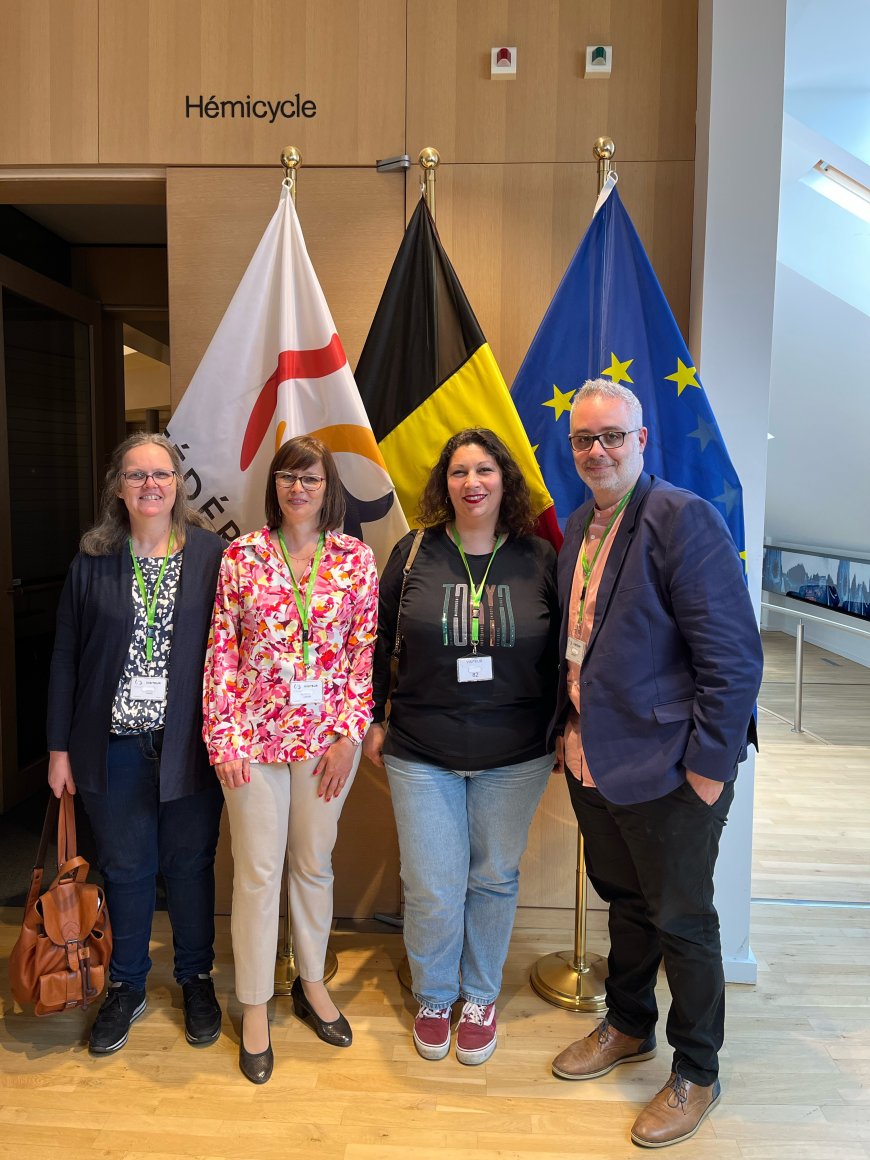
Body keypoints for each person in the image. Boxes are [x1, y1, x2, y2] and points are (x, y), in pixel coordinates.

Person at [548, 379, 764, 1148]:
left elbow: (733, 658)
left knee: (682, 919)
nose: (597, 450)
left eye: (612, 436)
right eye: (583, 439)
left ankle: (697, 1071)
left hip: (672, 770)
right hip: (595, 763)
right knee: (628, 906)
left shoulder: (682, 518)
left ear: (643, 440)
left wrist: (708, 770)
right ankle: (630, 1024)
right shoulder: (579, 525)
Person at [363, 428, 558, 1066]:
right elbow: (379, 635)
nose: (472, 482)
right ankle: (434, 994)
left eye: (484, 470)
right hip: (421, 749)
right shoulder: (414, 551)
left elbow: (566, 650)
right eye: (458, 472)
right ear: (443, 484)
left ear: (505, 479)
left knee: (495, 877)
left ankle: (478, 996)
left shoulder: (538, 556)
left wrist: (568, 725)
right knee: (430, 885)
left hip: (516, 752)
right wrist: (371, 717)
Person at [204, 435, 378, 1084]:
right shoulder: (242, 557)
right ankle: (255, 1004)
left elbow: (363, 658)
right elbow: (222, 652)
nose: (298, 488)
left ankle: (311, 982)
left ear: (328, 487)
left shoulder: (356, 562)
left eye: (310, 478)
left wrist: (349, 735)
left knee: (312, 864)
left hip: (327, 746)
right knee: (256, 872)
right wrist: (223, 737)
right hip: (251, 743)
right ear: (274, 487)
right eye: (287, 477)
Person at [47, 433, 225, 1056]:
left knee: (189, 865)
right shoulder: (93, 559)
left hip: (190, 745)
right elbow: (67, 656)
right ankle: (126, 984)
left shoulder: (213, 556)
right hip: (111, 745)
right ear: (117, 488)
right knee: (126, 870)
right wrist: (58, 748)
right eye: (136, 475)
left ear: (178, 483)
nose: (151, 484)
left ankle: (195, 978)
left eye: (162, 473)